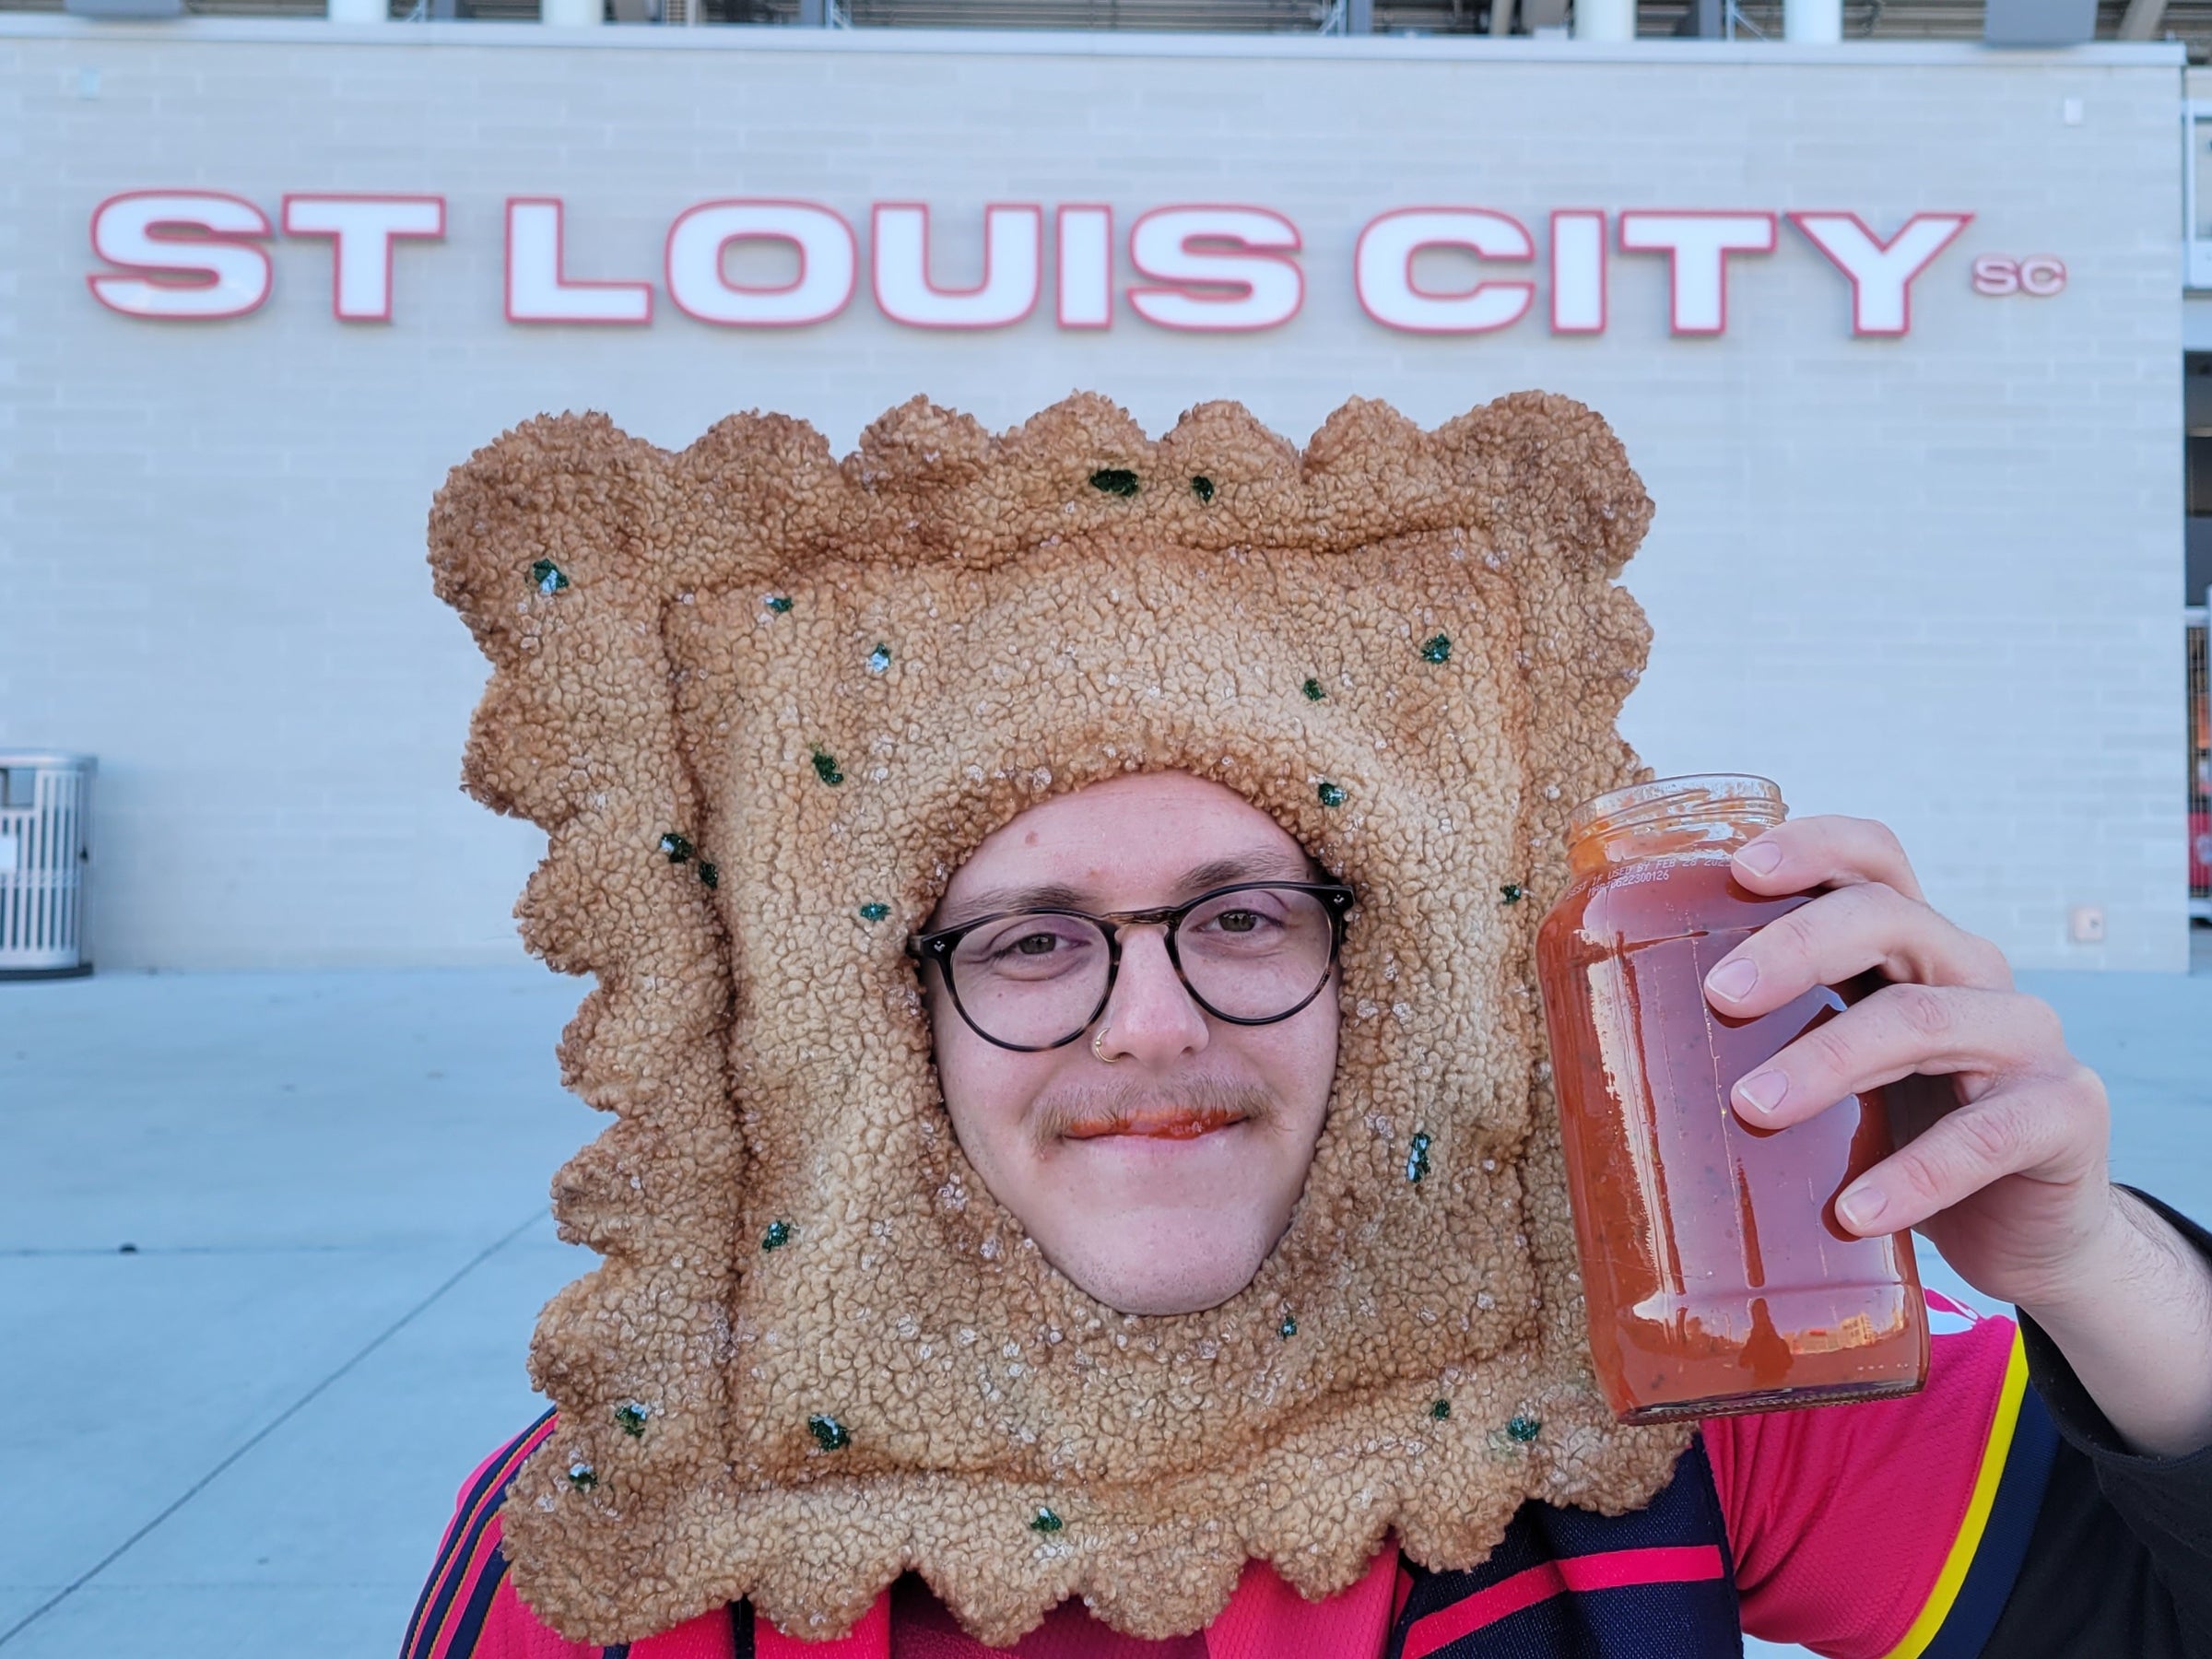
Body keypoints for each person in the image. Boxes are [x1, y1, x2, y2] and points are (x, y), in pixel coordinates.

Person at [404, 393, 2212, 1659]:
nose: (1151, 1027)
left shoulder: (1656, 1394)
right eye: (1033, 942)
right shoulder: (641, 1544)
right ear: (894, 1024)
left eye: (1246, 917)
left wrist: (2091, 1260)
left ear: (1380, 967)